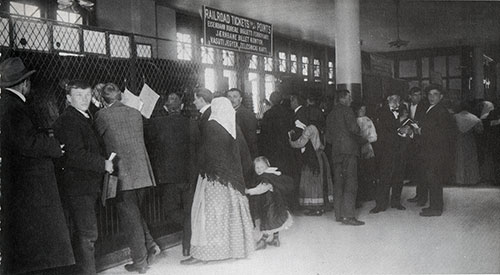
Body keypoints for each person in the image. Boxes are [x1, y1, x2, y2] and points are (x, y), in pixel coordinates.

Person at [0, 57, 74, 274]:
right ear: (24, 83)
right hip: (29, 184)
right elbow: (27, 141)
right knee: (39, 244)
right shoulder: (13, 106)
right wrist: (54, 146)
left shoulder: (6, 103)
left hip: (15, 182)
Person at [95, 83, 160, 273]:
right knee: (135, 213)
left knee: (130, 220)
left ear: (102, 100)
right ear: (122, 97)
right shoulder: (134, 112)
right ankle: (151, 245)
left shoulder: (102, 116)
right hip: (143, 173)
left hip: (122, 175)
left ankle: (140, 262)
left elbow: (96, 139)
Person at [181, 97, 254, 265]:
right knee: (229, 214)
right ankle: (232, 249)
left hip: (212, 178)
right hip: (231, 180)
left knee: (206, 214)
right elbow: (244, 157)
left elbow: (205, 154)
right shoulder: (233, 126)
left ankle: (204, 254)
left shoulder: (211, 126)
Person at [53, 80, 114, 275]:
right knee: (87, 235)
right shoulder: (68, 120)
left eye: (87, 95)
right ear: (68, 98)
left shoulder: (85, 116)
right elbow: (75, 155)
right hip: (78, 186)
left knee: (86, 233)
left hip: (85, 185)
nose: (84, 99)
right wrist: (103, 163)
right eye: (79, 95)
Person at [414, 85, 456, 217]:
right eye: (430, 94)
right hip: (431, 151)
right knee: (432, 179)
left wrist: (421, 131)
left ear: (441, 96)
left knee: (434, 179)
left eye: (435, 94)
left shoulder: (441, 111)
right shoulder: (432, 108)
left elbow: (441, 133)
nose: (432, 97)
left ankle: (436, 208)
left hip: (436, 152)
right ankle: (434, 206)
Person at [325, 89, 366, 226]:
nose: (351, 100)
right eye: (349, 97)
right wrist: (362, 136)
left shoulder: (330, 114)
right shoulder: (347, 111)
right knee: (350, 183)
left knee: (339, 183)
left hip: (336, 152)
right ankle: (348, 216)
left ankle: (339, 215)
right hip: (349, 151)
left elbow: (328, 138)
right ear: (343, 98)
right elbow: (354, 129)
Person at [183, 87, 214, 257]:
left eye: (195, 99)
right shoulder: (206, 115)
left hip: (204, 169)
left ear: (201, 99)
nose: (194, 102)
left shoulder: (206, 117)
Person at [245, 156, 294, 250]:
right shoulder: (270, 175)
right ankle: (275, 239)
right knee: (275, 222)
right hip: (275, 203)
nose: (259, 170)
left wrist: (248, 191)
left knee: (269, 222)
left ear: (267, 166)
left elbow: (261, 189)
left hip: (270, 205)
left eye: (261, 167)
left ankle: (263, 241)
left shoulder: (266, 178)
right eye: (257, 168)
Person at [371, 94, 409, 213]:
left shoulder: (402, 109)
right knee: (384, 176)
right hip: (386, 149)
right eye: (393, 99)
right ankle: (381, 204)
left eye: (398, 99)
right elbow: (389, 126)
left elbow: (406, 125)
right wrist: (401, 121)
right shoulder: (382, 111)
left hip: (400, 148)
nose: (396, 102)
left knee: (398, 176)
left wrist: (406, 130)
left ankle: (396, 202)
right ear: (388, 100)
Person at [289, 123, 333, 216]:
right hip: (320, 156)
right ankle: (321, 206)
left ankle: (316, 208)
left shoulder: (310, 128)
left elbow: (300, 143)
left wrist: (290, 140)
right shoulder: (317, 127)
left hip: (313, 158)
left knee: (313, 181)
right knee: (320, 180)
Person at [406, 87, 429, 205]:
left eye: (420, 95)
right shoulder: (406, 106)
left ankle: (423, 198)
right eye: (415, 95)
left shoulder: (424, 106)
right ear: (410, 96)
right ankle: (418, 195)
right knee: (416, 170)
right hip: (411, 142)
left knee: (422, 171)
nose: (418, 97)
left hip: (421, 142)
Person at [353, 103, 377, 207]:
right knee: (358, 173)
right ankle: (360, 195)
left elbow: (374, 136)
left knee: (368, 172)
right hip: (356, 150)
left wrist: (366, 140)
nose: (363, 112)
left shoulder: (368, 121)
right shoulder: (352, 120)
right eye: (361, 109)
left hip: (366, 149)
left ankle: (369, 194)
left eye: (364, 109)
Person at [454, 102, 482, 185]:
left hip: (458, 140)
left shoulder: (455, 117)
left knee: (459, 159)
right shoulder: (475, 118)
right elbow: (480, 131)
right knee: (471, 160)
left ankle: (460, 179)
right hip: (470, 140)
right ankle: (472, 179)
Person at [226, 88, 259, 159]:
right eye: (229, 97)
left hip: (244, 154)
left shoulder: (247, 115)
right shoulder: (224, 114)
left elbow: (251, 139)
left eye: (235, 97)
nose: (232, 100)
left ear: (240, 99)